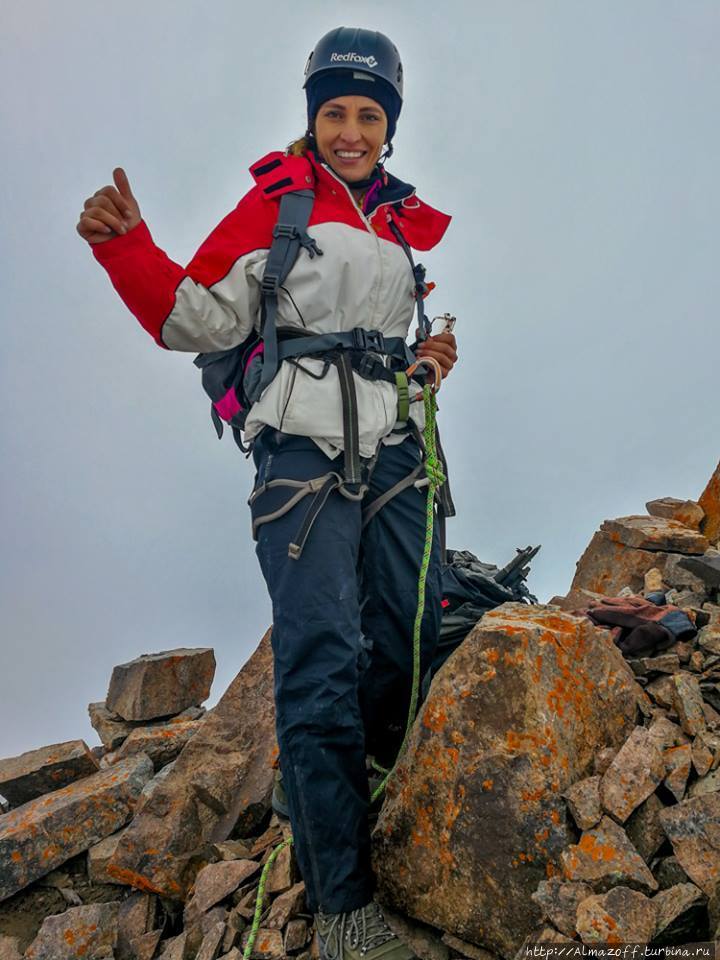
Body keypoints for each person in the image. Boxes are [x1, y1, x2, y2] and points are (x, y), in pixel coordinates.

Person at [77, 26, 458, 960]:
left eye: (369, 113)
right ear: (313, 118)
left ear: (390, 125)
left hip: (399, 452)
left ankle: (356, 790)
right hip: (300, 463)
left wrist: (424, 363)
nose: (352, 129)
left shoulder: (399, 223)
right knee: (319, 655)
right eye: (336, 111)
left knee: (412, 631)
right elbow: (193, 316)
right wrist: (130, 249)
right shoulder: (280, 203)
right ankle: (344, 912)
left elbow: (375, 343)